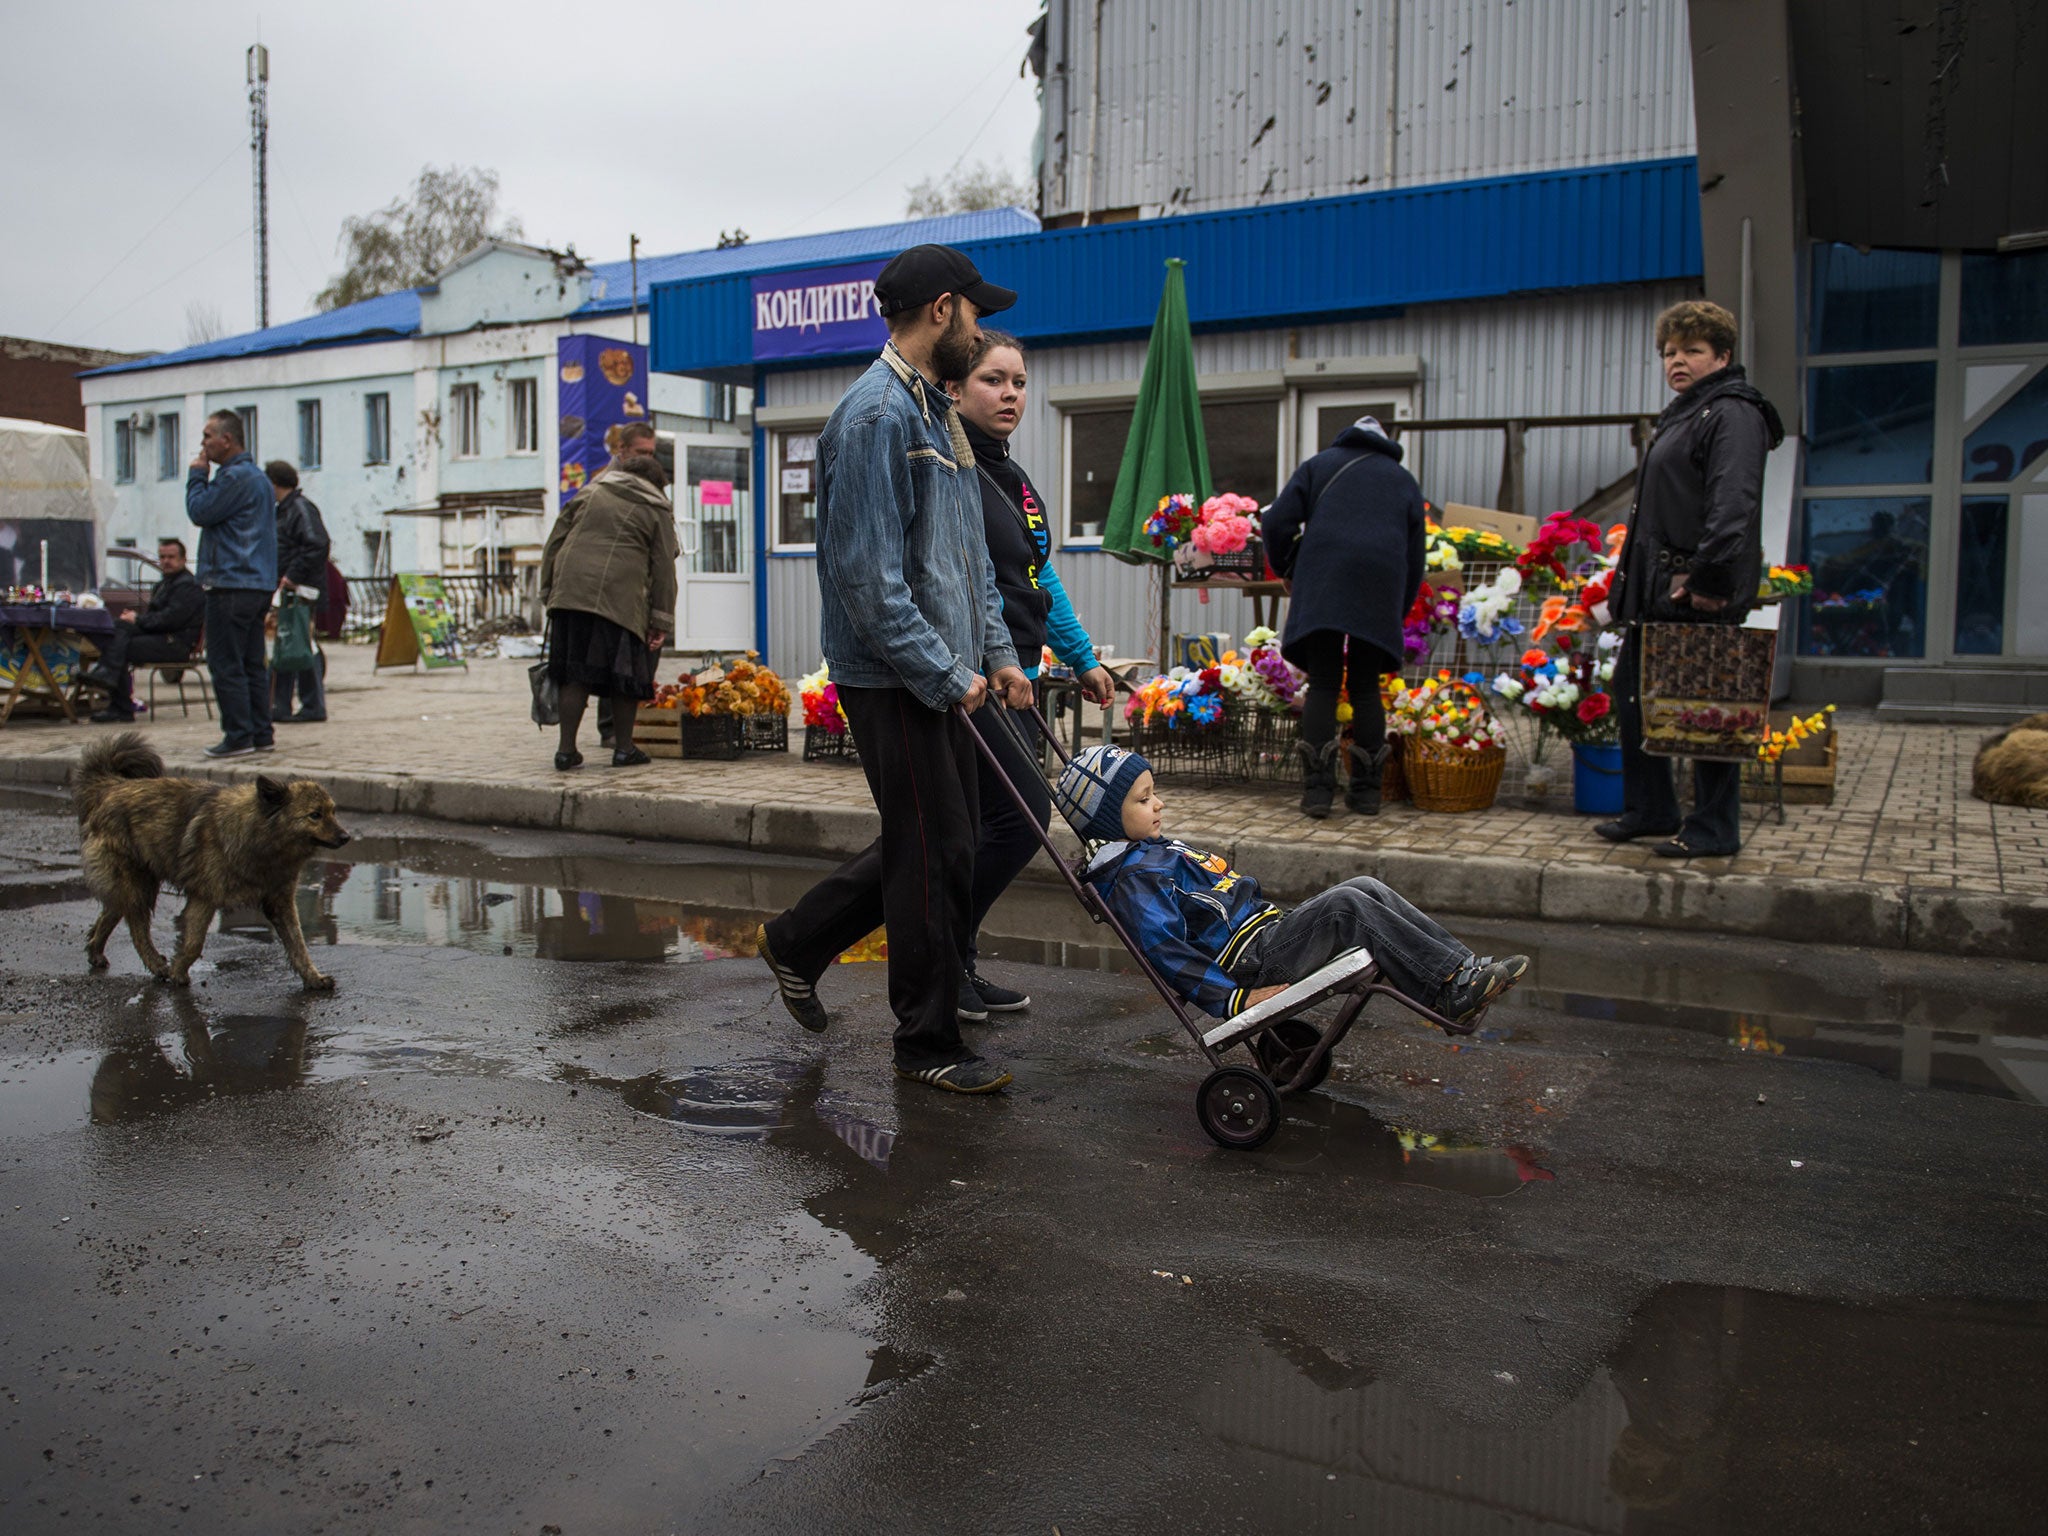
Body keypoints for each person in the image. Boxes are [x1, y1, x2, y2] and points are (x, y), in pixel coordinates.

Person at [756, 243, 1030, 1096]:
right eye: (976, 313)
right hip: (892, 677)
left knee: (938, 842)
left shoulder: (934, 412)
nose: (983, 330)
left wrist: (999, 656)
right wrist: (946, 674)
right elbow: (866, 577)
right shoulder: (877, 417)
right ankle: (926, 1042)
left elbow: (968, 560)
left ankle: (798, 942)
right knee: (935, 848)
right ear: (943, 310)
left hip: (944, 671)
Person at [1053, 743, 1529, 1025]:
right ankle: (1450, 991)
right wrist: (1232, 999)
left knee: (1364, 885)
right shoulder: (1135, 877)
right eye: (1143, 799)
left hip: (1265, 935)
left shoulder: (1149, 850)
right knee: (1346, 904)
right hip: (1250, 963)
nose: (1158, 805)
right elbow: (1165, 950)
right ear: (1107, 821)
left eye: (1153, 794)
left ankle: (1459, 970)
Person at [945, 328, 1114, 1022]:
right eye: (993, 379)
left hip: (1018, 676)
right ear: (954, 388)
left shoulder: (1013, 478)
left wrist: (1082, 658)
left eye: (1018, 381)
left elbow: (1041, 581)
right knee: (1019, 821)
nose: (1010, 392)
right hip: (971, 678)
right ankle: (941, 959)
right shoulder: (952, 471)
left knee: (1000, 823)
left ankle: (954, 960)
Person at [1601, 300, 1785, 859]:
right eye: (1669, 352)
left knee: (1710, 711)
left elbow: (1732, 504)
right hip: (1658, 587)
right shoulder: (1687, 411)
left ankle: (1713, 828)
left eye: (1691, 351)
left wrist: (1708, 579)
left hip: (1695, 590)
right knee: (1633, 698)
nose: (1676, 361)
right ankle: (1652, 808)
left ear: (1722, 355)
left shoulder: (1731, 412)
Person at [1262, 415, 1426, 819]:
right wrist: (1396, 609)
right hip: (1379, 586)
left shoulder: (1319, 465)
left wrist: (1287, 567)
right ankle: (1367, 794)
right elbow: (1416, 557)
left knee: (1324, 682)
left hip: (1324, 580)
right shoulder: (1402, 479)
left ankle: (1317, 793)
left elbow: (1275, 520)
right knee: (1365, 686)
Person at [537, 430, 678, 768]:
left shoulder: (590, 491)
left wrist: (548, 591)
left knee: (574, 673)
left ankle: (566, 751)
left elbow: (555, 542)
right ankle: (624, 748)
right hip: (620, 598)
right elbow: (663, 568)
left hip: (569, 594)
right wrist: (661, 620)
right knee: (625, 675)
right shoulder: (656, 506)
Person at [185, 409, 279, 759]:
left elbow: (200, 511)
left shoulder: (234, 478)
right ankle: (260, 732)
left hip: (230, 581)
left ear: (227, 439)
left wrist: (197, 477)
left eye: (208, 435)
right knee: (252, 661)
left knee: (226, 662)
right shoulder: (257, 478)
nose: (203, 443)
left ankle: (238, 735)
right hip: (256, 583)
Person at [83, 537, 205, 723]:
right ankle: (108, 679)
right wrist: (133, 620)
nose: (166, 561)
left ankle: (114, 692)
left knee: (120, 646)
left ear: (182, 559)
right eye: (162, 557)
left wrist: (138, 619)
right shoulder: (165, 584)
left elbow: (170, 620)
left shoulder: (187, 586)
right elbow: (157, 619)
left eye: (171, 557)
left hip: (175, 644)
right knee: (118, 629)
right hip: (161, 637)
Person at [266, 460, 331, 723]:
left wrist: (292, 575)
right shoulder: (285, 510)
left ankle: (312, 704)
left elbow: (317, 544)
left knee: (301, 645)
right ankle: (281, 705)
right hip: (290, 589)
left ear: (274, 483)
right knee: (286, 642)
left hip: (301, 591)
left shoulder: (299, 509)